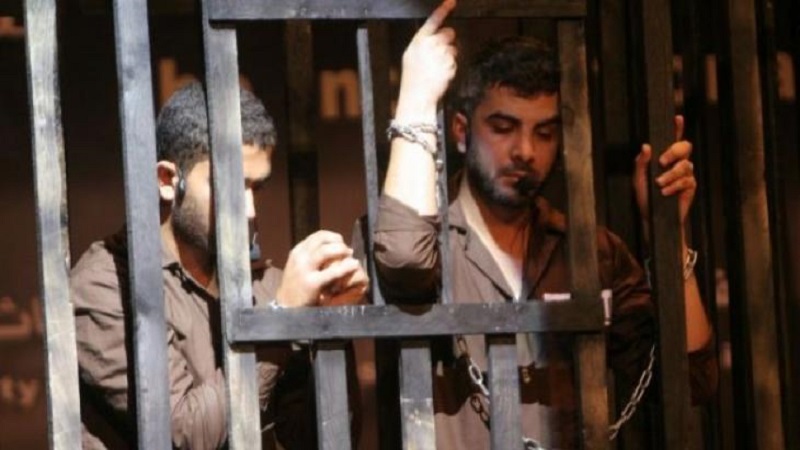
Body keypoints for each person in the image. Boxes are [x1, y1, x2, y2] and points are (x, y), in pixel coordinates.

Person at [372, 1, 717, 448]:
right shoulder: (421, 237)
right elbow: (404, 261)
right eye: (503, 128)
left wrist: (669, 233)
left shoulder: (592, 252)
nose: (525, 151)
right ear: (460, 131)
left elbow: (691, 382)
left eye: (544, 132)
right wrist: (417, 102)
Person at [72, 82, 367, 449]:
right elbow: (182, 435)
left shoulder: (264, 286)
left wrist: (331, 326)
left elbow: (313, 439)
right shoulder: (105, 285)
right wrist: (279, 320)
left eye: (256, 187)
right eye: (229, 186)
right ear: (167, 181)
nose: (250, 210)